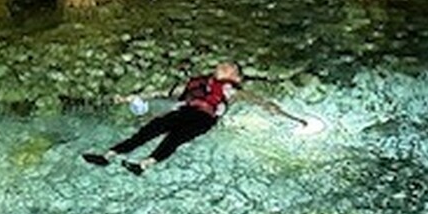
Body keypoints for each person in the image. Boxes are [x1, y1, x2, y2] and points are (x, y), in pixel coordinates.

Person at [82, 60, 306, 175]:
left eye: (227, 67)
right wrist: (129, 98)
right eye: (221, 65)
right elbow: (161, 92)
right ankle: (108, 155)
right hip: (184, 109)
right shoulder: (195, 83)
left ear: (235, 76)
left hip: (205, 118)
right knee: (149, 130)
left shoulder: (231, 90)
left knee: (175, 138)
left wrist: (293, 119)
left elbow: (264, 104)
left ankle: (143, 165)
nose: (222, 66)